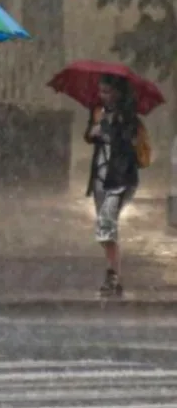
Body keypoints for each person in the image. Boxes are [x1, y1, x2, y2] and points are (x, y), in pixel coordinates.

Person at [84, 74, 139, 297]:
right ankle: (113, 273)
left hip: (120, 178)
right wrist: (93, 131)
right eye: (101, 91)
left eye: (107, 91)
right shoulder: (97, 112)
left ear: (117, 93)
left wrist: (108, 128)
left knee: (106, 224)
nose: (103, 96)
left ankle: (112, 275)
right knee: (105, 227)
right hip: (100, 176)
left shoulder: (127, 116)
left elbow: (127, 143)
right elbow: (88, 136)